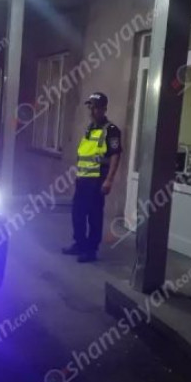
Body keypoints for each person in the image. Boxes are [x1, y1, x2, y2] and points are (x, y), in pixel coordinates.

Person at [62, 92, 122, 263]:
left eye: (95, 108)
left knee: (94, 216)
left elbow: (115, 155)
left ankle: (91, 250)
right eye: (90, 107)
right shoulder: (90, 128)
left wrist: (109, 180)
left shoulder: (111, 130)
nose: (92, 111)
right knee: (78, 213)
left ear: (104, 109)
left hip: (97, 180)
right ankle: (80, 244)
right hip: (83, 180)